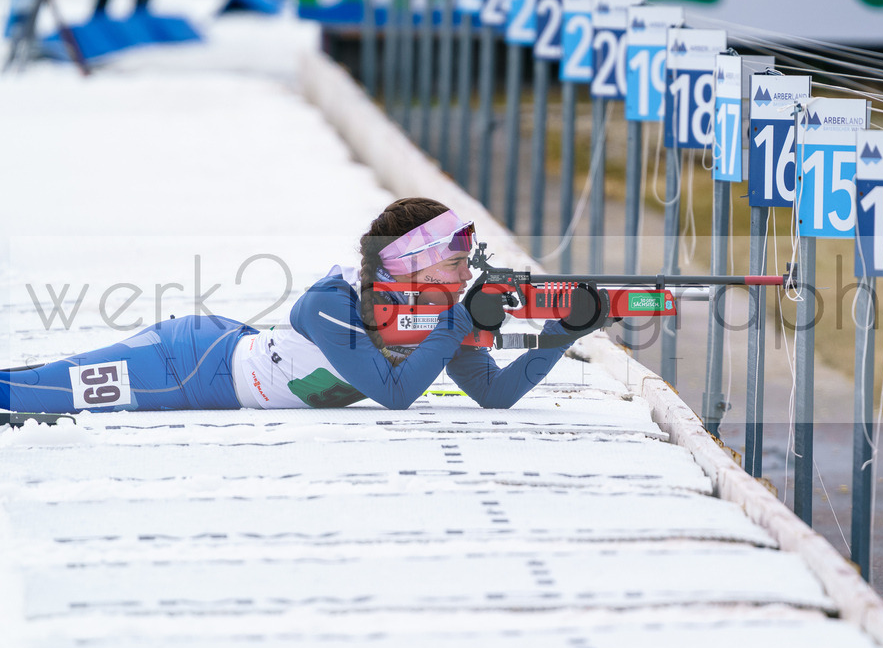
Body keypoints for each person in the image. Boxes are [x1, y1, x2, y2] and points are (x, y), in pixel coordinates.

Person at [0, 198, 606, 414]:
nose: (463, 274)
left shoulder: (427, 315)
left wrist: (559, 330)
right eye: (453, 262)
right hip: (186, 367)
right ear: (410, 262)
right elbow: (395, 395)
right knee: (27, 395)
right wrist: (457, 324)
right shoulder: (332, 301)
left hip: (221, 359)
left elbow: (494, 395)